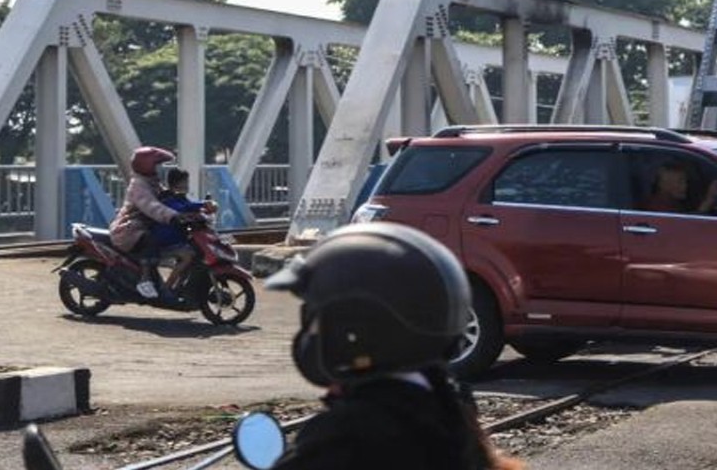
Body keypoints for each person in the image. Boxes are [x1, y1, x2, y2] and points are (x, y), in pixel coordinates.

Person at [265, 222, 523, 470]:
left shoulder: (343, 439)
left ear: (355, 331)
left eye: (315, 321)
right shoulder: (448, 408)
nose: (310, 335)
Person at [108, 146, 198, 299]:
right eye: (156, 165)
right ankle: (145, 280)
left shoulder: (150, 182)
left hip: (145, 225)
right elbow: (152, 206)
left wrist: (191, 206)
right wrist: (174, 215)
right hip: (130, 229)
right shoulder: (138, 185)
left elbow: (164, 197)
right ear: (146, 166)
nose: (159, 169)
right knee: (150, 240)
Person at [151, 168, 216, 294]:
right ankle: (167, 288)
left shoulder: (179, 196)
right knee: (187, 256)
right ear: (177, 183)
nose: (187, 184)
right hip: (165, 239)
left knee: (195, 254)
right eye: (185, 181)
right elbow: (181, 208)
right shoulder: (167, 198)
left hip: (176, 238)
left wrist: (204, 209)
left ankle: (179, 287)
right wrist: (203, 204)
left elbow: (189, 205)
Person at [642, 161, 717, 214]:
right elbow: (688, 226)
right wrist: (710, 198)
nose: (685, 186)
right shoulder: (658, 208)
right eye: (680, 182)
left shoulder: (674, 202)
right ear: (664, 185)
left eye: (685, 182)